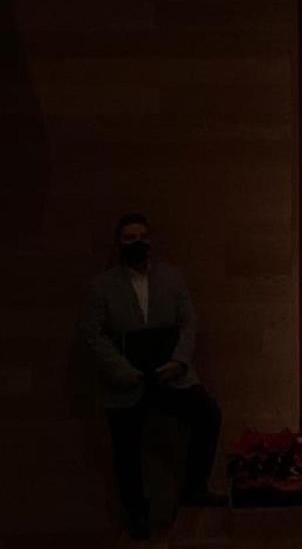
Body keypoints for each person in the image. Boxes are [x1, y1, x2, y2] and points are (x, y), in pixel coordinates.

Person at [79, 213, 224, 541]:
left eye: (142, 236)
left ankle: (195, 488)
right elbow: (92, 333)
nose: (138, 242)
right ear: (119, 244)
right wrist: (122, 371)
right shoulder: (102, 286)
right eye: (130, 238)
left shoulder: (172, 278)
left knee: (208, 414)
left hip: (171, 375)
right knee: (125, 448)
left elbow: (189, 322)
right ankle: (137, 515)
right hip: (126, 381)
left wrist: (179, 362)